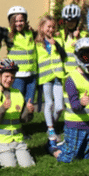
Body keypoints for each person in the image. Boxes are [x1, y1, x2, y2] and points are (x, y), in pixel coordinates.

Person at [49, 38, 89, 163]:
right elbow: (74, 105)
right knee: (69, 158)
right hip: (76, 124)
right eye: (85, 56)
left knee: (87, 156)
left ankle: (62, 144)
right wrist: (81, 103)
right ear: (78, 57)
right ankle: (52, 148)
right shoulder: (71, 79)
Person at [0, 59, 35, 168]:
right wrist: (3, 108)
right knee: (10, 167)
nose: (10, 80)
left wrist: (29, 111)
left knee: (28, 166)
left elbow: (23, 120)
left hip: (18, 140)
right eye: (7, 76)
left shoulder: (18, 93)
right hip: (2, 142)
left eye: (12, 77)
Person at [35, 15, 66, 149]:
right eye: (48, 26)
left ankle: (51, 123)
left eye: (53, 27)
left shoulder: (58, 39)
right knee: (49, 103)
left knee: (59, 107)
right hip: (46, 77)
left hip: (58, 75)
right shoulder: (36, 42)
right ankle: (51, 129)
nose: (51, 29)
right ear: (42, 27)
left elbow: (64, 55)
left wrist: (57, 45)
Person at [6, 6, 38, 106]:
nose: (19, 23)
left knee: (29, 104)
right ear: (11, 22)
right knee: (17, 103)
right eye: (16, 21)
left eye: (21, 21)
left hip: (31, 74)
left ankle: (24, 121)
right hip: (17, 76)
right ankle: (15, 121)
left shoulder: (30, 33)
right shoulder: (8, 33)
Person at [57, 4, 89, 73]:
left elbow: (88, 53)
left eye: (73, 20)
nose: (70, 23)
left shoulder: (84, 35)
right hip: (64, 74)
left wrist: (79, 39)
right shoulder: (60, 34)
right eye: (68, 20)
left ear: (77, 21)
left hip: (80, 73)